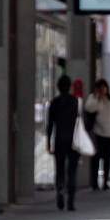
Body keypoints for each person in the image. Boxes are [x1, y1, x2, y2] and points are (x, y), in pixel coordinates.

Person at [45, 74, 82, 211]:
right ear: (70, 86)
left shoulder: (54, 103)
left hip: (59, 140)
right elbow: (80, 123)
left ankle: (60, 191)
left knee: (59, 169)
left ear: (58, 87)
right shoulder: (75, 102)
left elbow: (50, 125)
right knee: (72, 171)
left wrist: (48, 142)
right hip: (73, 141)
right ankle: (71, 201)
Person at [83, 78, 110, 190]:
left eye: (104, 87)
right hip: (98, 132)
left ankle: (105, 181)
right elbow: (89, 108)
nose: (102, 90)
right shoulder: (93, 98)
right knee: (96, 158)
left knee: (107, 158)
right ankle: (94, 182)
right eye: (100, 88)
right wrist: (97, 98)